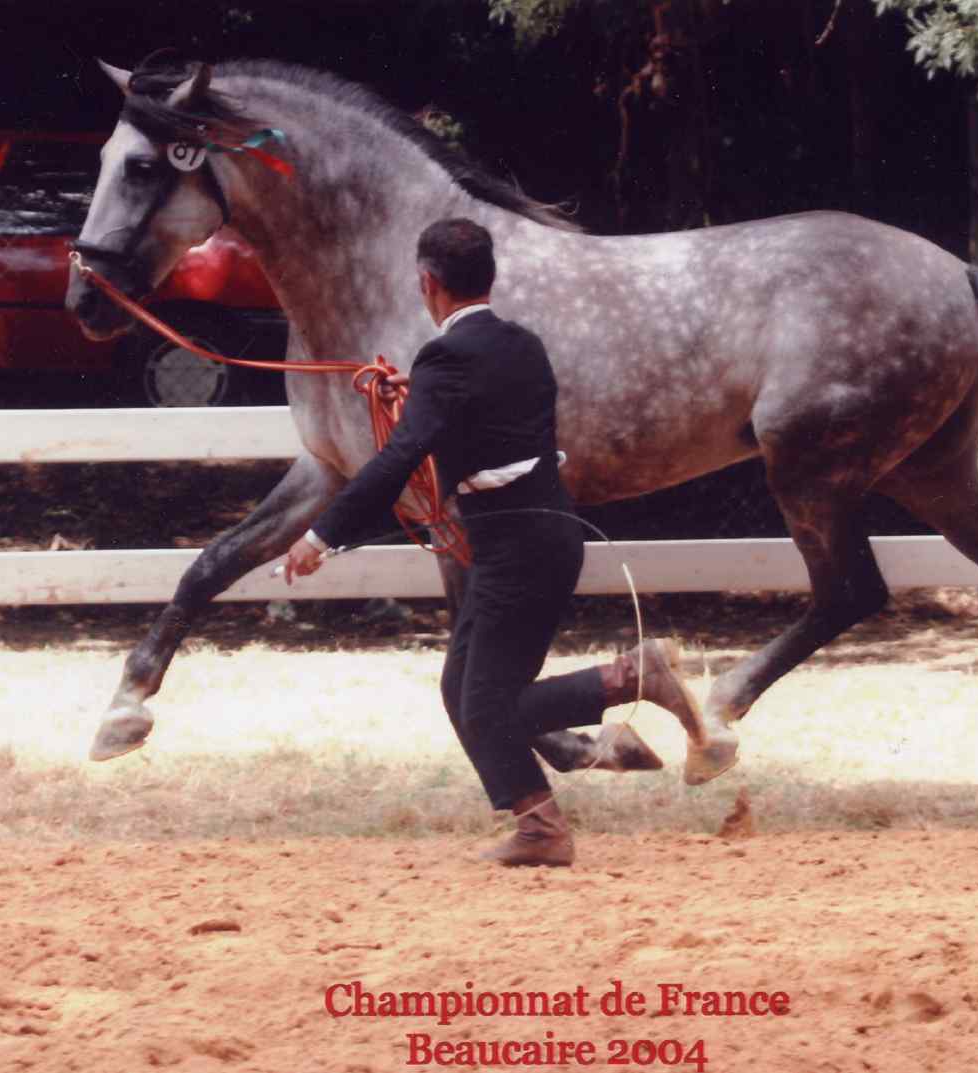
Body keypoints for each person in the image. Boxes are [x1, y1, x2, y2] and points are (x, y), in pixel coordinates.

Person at [283, 217, 705, 867]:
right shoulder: (521, 345)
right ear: (489, 276)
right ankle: (540, 824)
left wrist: (320, 536)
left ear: (427, 283)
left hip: (518, 548)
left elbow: (398, 460)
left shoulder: (446, 359)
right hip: (536, 540)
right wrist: (423, 396)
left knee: (486, 706)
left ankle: (632, 679)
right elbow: (493, 413)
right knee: (463, 692)